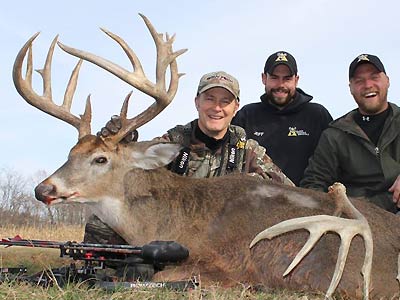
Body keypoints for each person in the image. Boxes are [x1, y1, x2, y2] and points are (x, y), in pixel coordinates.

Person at [83, 71, 294, 278]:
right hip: (175, 233)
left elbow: (288, 191)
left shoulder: (247, 150)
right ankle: (103, 271)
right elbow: (135, 170)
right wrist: (122, 144)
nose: (217, 108)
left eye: (225, 101)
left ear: (235, 107)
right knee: (101, 222)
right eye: (209, 99)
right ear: (197, 102)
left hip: (226, 239)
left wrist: (252, 186)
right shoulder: (173, 142)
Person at [300, 54, 400, 213]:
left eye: (374, 77)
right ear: (351, 88)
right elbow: (313, 184)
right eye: (359, 81)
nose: (368, 85)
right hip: (356, 218)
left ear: (387, 80)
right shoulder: (334, 135)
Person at [232, 51, 332, 186]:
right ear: (264, 78)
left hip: (307, 201)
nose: (281, 85)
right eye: (274, 78)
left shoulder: (317, 115)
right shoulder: (247, 115)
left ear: (296, 80)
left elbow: (331, 163)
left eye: (287, 78)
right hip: (257, 202)